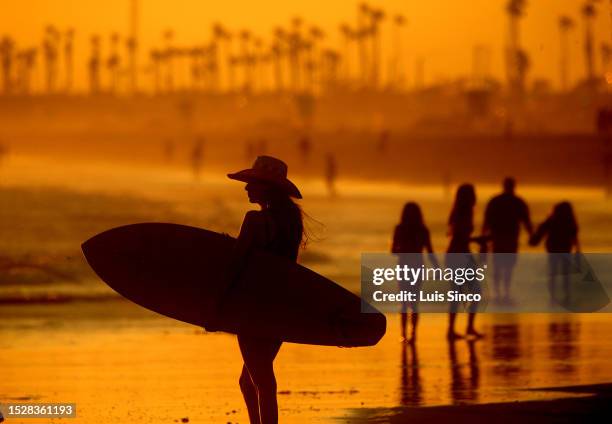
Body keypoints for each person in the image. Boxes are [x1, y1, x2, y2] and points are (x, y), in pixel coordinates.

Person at [212, 155, 305, 424]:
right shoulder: (291, 222)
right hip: (282, 306)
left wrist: (215, 307)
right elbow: (278, 261)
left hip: (253, 307)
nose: (246, 187)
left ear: (266, 187)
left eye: (251, 182)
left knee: (261, 379)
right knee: (250, 379)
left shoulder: (254, 220)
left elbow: (236, 266)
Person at [391, 202, 438, 344]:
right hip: (417, 267)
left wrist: (404, 250)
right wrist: (436, 267)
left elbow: (393, 251)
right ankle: (412, 335)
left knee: (405, 302)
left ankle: (405, 334)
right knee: (413, 303)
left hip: (405, 266)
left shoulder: (400, 228)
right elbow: (430, 251)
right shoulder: (423, 230)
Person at [482, 177, 532, 302]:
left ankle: (499, 291)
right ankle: (505, 291)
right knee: (508, 266)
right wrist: (532, 235)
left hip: (498, 237)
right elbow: (526, 221)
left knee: (498, 265)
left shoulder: (495, 201)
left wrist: (484, 237)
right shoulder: (518, 202)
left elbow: (486, 220)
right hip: (509, 238)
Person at [446, 184, 484, 340]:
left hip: (458, 252)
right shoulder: (464, 211)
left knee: (460, 292)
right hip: (459, 253)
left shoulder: (458, 211)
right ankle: (462, 328)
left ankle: (456, 329)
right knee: (472, 291)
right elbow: (460, 236)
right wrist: (478, 239)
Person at [530, 201, 580, 306]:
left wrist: (534, 240)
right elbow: (574, 236)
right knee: (565, 272)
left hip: (553, 248)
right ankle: (566, 294)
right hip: (564, 248)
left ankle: (553, 295)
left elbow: (541, 230)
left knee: (554, 271)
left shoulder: (552, 220)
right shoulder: (569, 220)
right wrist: (577, 249)